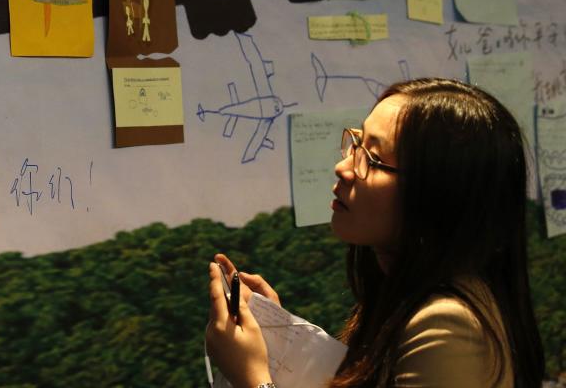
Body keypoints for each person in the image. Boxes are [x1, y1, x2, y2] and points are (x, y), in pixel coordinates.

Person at [205, 78, 545, 388]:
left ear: (436, 193)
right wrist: (281, 337)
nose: (344, 166)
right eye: (356, 142)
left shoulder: (447, 324)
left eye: (373, 157)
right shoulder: (402, 292)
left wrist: (253, 377)